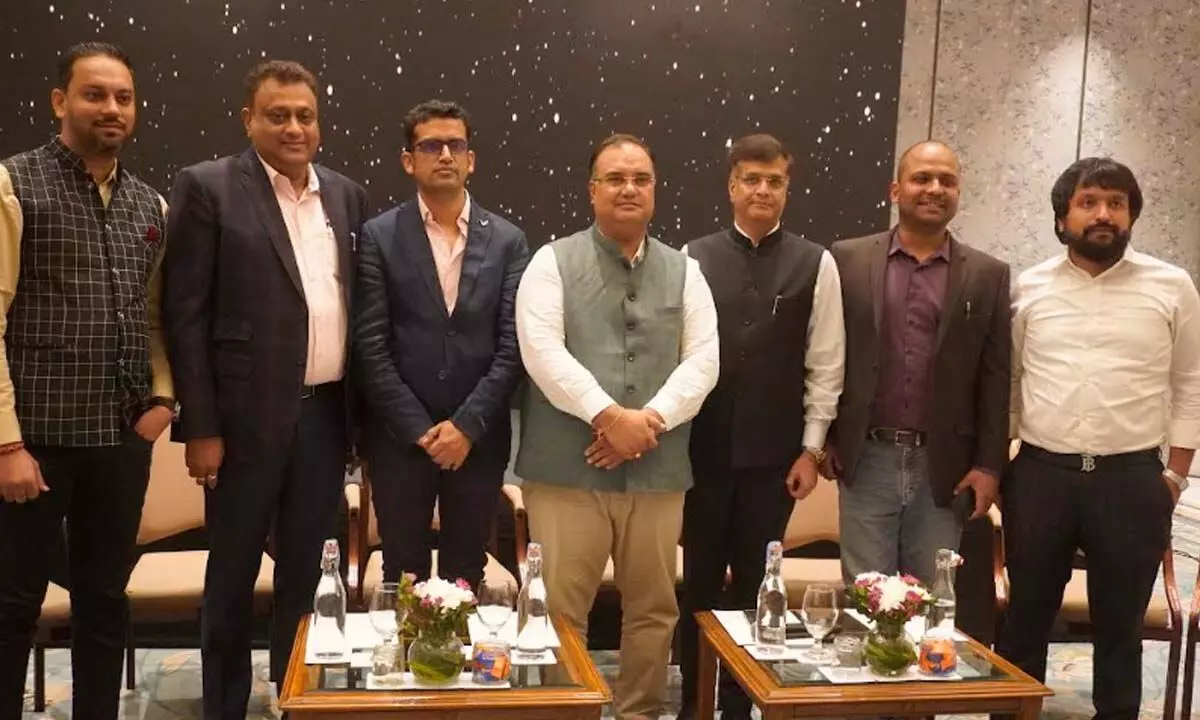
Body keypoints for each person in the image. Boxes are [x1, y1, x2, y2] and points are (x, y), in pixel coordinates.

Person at [163, 60, 368, 719]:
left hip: (326, 420)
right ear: (248, 119)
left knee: (306, 576)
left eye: (305, 115)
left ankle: (294, 699)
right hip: (239, 426)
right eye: (278, 115)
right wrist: (200, 427)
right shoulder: (208, 187)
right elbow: (185, 315)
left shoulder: (346, 195)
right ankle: (224, 707)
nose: (293, 127)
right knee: (230, 579)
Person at [514, 134, 719, 720]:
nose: (629, 188)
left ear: (654, 190)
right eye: (615, 178)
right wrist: (609, 417)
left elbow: (704, 360)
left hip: (657, 472)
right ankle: (564, 714)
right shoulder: (551, 262)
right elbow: (541, 352)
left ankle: (640, 713)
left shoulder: (686, 271)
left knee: (654, 611)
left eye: (641, 179)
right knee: (559, 612)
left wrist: (646, 422)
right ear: (592, 190)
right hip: (566, 472)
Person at [0, 41, 175, 718]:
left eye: (123, 97)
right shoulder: (14, 185)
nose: (111, 108)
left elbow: (156, 317)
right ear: (59, 101)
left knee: (104, 602)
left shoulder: (150, 204)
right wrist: (7, 444)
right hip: (34, 444)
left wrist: (164, 398)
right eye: (94, 94)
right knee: (13, 604)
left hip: (120, 441)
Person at [998, 158, 1200, 720]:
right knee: (1024, 622)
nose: (1103, 214)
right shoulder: (1029, 288)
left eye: (1116, 203)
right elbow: (1010, 383)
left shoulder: (1171, 286)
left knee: (1120, 630)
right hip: (1040, 477)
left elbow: (1190, 382)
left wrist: (1175, 474)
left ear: (1132, 214)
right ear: (1062, 218)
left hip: (1132, 480)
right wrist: (1003, 462)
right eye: (1088, 203)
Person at [677, 133, 845, 720]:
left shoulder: (816, 262)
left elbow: (826, 363)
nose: (762, 190)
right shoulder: (692, 257)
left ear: (787, 190)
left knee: (757, 588)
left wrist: (811, 451)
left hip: (775, 461)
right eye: (751, 179)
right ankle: (695, 705)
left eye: (774, 181)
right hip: (701, 456)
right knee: (698, 587)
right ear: (732, 186)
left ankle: (739, 706)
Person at [353, 99, 528, 590]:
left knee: (465, 577)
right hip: (400, 442)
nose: (446, 155)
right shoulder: (379, 236)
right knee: (401, 578)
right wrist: (421, 431)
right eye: (432, 146)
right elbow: (371, 344)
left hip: (478, 441)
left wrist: (466, 427)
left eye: (456, 145)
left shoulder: (508, 241)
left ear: (472, 159)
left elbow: (513, 345)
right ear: (409, 160)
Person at [824, 140, 1010, 586]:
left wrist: (989, 465)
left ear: (958, 192)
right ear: (895, 190)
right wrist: (824, 440)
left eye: (947, 180)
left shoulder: (988, 274)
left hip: (943, 467)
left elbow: (996, 376)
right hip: (867, 458)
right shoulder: (847, 260)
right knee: (866, 597)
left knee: (931, 600)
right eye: (921, 178)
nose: (934, 188)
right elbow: (825, 354)